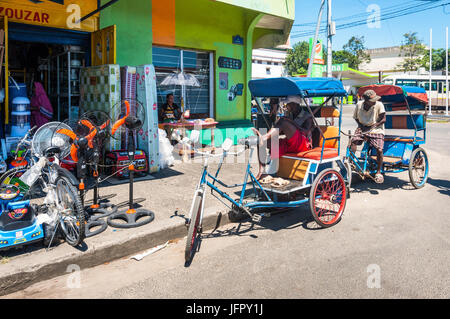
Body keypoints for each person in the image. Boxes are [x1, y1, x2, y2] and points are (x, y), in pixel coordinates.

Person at [252, 101, 312, 180]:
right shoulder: (289, 114)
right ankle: (262, 171)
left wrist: (292, 123)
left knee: (283, 122)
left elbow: (306, 131)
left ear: (295, 104)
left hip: (303, 144)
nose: (287, 107)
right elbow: (282, 131)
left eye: (289, 105)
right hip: (289, 143)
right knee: (261, 142)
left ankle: (264, 137)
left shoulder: (307, 116)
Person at [351, 89, 386, 184]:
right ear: (366, 101)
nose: (374, 101)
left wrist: (374, 125)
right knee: (353, 141)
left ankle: (379, 172)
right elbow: (356, 118)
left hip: (376, 129)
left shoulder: (379, 104)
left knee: (379, 149)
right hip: (362, 127)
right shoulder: (359, 105)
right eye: (372, 100)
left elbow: (383, 119)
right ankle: (351, 163)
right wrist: (361, 126)